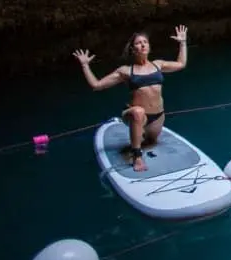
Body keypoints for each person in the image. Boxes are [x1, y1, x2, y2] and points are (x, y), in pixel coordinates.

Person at [73, 25, 189, 172]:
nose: (143, 44)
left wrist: (183, 43)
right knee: (138, 112)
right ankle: (137, 156)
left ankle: (140, 138)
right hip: (134, 114)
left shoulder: (158, 64)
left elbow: (181, 64)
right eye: (139, 43)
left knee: (151, 141)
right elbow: (97, 85)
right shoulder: (126, 71)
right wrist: (85, 65)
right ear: (133, 49)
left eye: (145, 42)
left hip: (158, 117)